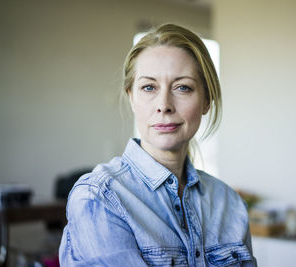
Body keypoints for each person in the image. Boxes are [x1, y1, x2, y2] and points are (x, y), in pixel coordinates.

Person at [59, 23, 257, 266]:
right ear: (132, 98)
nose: (164, 104)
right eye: (149, 87)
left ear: (207, 100)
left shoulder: (229, 203)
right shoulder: (99, 198)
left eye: (182, 87)